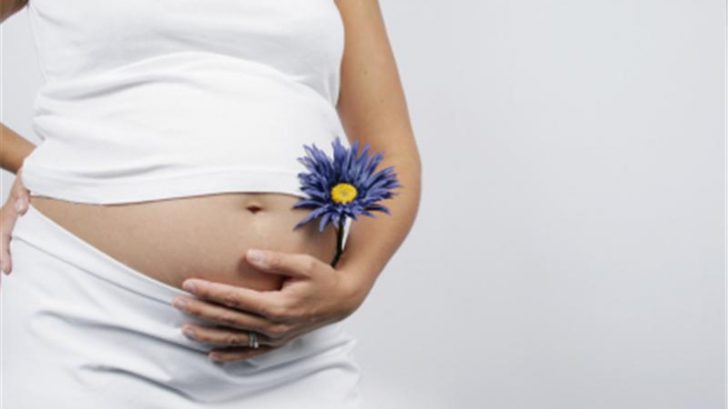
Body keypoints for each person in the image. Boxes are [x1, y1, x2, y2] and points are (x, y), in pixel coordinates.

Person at [0, 0, 421, 407]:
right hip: (88, 311)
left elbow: (389, 152)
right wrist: (35, 162)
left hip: (293, 350)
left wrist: (353, 282)